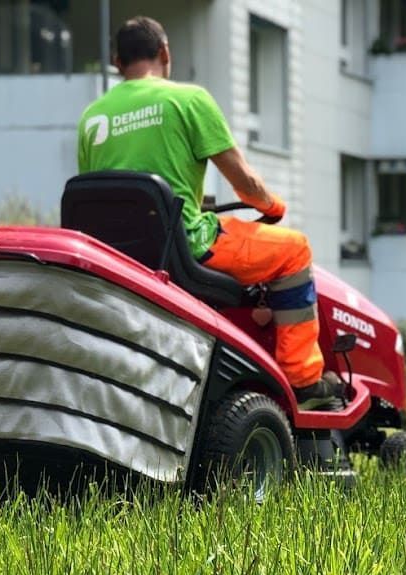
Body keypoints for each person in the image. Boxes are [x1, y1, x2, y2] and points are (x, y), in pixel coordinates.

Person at [77, 16, 344, 408]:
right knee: (295, 250)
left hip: (120, 257)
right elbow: (244, 181)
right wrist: (270, 206)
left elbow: (106, 196)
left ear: (117, 61)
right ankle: (303, 383)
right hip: (186, 243)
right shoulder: (188, 101)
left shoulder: (90, 120)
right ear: (165, 53)